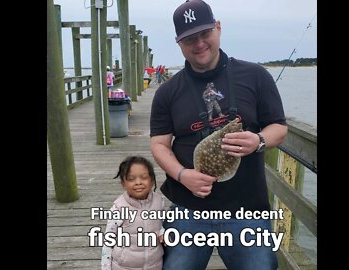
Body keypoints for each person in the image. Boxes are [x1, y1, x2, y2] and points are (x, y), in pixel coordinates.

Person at [149, 1, 288, 269]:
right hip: (188, 207)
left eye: (205, 33)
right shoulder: (167, 92)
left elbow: (278, 128)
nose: (199, 43)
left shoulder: (256, 76)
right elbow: (159, 144)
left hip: (247, 209)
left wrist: (258, 141)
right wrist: (182, 175)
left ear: (218, 28)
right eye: (190, 38)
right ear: (179, 43)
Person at [101, 156, 165, 270]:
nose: (138, 182)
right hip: (124, 266)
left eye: (144, 177)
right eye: (131, 179)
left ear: (152, 181)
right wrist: (105, 267)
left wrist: (162, 232)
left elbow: (159, 224)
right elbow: (108, 241)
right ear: (123, 184)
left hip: (154, 264)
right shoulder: (119, 209)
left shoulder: (159, 201)